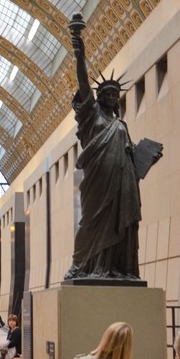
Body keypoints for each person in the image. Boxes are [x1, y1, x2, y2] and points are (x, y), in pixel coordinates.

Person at [63, 15, 149, 281]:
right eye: (107, 94)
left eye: (115, 95)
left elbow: (129, 153)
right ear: (99, 98)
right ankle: (82, 266)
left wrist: (145, 157)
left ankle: (117, 268)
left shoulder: (120, 124)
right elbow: (83, 84)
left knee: (120, 226)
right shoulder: (92, 117)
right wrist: (80, 51)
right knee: (90, 223)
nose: (111, 97)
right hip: (98, 184)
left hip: (123, 186)